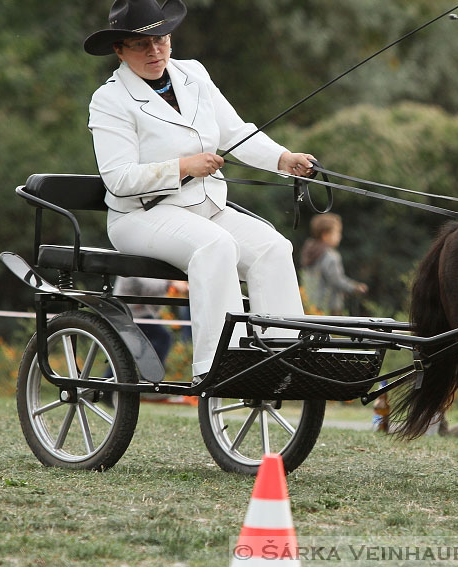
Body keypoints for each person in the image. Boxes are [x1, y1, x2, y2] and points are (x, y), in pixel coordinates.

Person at [84, 0, 315, 382]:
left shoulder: (193, 73)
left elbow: (236, 133)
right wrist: (183, 167)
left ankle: (285, 359)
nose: (154, 51)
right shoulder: (109, 100)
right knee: (216, 246)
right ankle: (220, 365)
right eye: (141, 44)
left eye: (160, 40)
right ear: (119, 50)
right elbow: (118, 179)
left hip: (206, 208)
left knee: (273, 248)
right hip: (141, 216)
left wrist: (282, 158)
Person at [299, 213, 368, 316]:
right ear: (325, 235)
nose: (340, 236)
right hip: (329, 307)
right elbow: (337, 280)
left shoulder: (308, 251)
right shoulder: (330, 256)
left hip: (309, 305)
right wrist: (355, 287)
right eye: (337, 232)